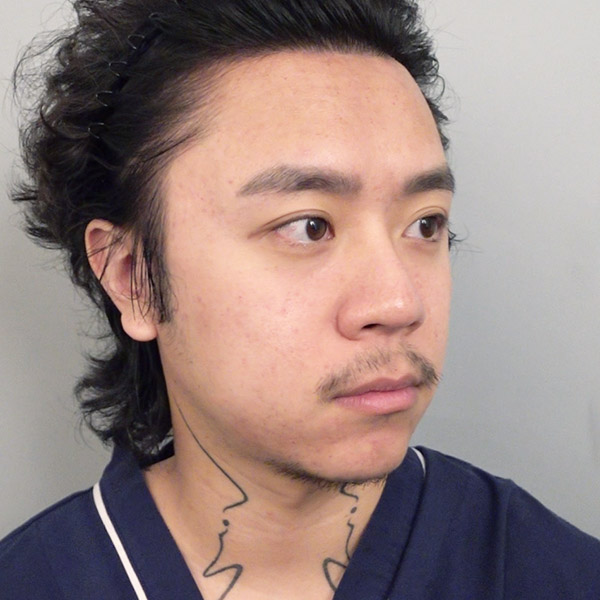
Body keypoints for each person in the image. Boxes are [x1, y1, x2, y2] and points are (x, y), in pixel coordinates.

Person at [1, 0, 598, 598]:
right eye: (309, 227)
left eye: (424, 224)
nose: (399, 304)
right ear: (133, 277)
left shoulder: (552, 574)